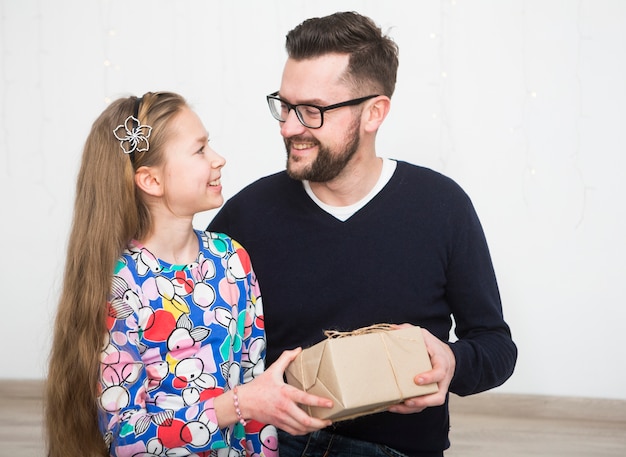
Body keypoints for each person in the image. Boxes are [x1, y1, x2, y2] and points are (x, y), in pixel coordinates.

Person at [207, 11, 518, 457]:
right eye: (285, 106)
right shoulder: (247, 215)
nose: (289, 127)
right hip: (278, 445)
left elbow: (496, 347)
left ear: (374, 112)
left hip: (398, 448)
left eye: (312, 111)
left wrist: (452, 361)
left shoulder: (441, 206)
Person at [45, 91, 333, 457]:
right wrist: (238, 404)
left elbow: (255, 385)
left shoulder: (230, 258)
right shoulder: (121, 286)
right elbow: (125, 438)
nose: (218, 159)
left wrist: (254, 410)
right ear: (151, 181)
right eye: (199, 150)